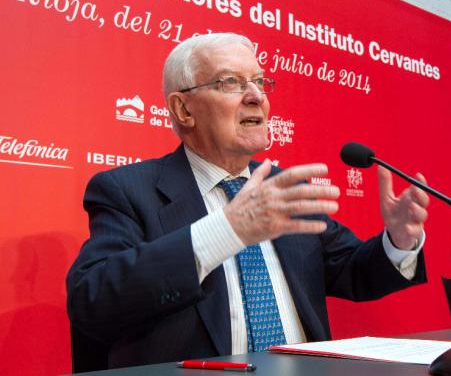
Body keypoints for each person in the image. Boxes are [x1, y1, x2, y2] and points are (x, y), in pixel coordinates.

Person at [67, 33, 430, 368]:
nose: (256, 95)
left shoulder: (281, 187)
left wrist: (399, 241)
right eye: (230, 83)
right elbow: (92, 300)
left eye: (259, 81)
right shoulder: (127, 190)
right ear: (183, 110)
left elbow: (353, 271)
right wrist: (226, 230)